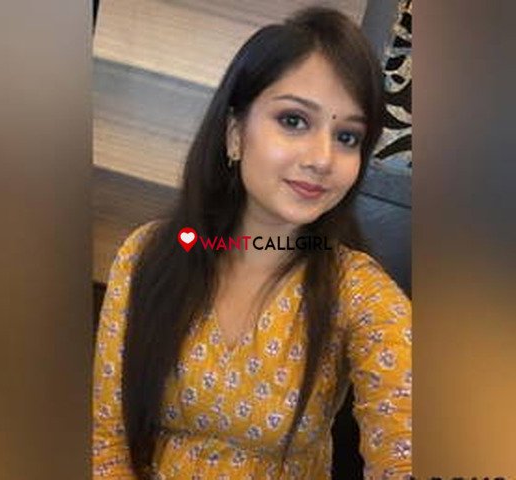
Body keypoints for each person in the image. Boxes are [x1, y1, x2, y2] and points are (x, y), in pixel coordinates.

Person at [93, 7, 412, 480]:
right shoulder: (151, 253)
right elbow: (105, 438)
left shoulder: (357, 293)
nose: (323, 159)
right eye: (294, 120)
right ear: (235, 132)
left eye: (347, 136)